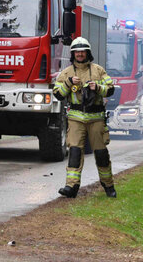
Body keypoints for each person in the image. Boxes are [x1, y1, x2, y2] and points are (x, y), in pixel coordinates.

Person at [52, 37, 116, 199]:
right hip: (75, 119)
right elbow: (58, 94)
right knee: (74, 151)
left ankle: (108, 186)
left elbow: (110, 90)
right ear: (73, 54)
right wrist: (68, 83)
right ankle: (71, 187)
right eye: (77, 52)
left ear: (88, 52)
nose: (80, 54)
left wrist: (98, 87)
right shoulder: (66, 73)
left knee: (101, 154)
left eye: (82, 51)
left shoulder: (98, 70)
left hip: (96, 119)